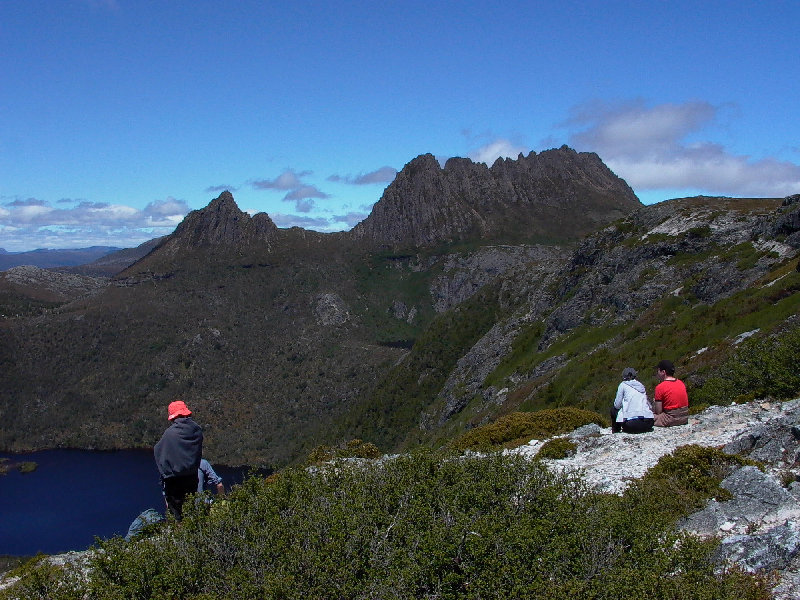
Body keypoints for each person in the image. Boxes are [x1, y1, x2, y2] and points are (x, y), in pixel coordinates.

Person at [153, 399, 203, 520]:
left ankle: (180, 533)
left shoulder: (170, 433)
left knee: (177, 512)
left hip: (174, 479)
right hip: (192, 476)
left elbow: (159, 451)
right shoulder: (197, 430)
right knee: (190, 507)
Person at [611, 367, 654, 434]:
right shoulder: (641, 386)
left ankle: (616, 431)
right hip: (648, 422)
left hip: (632, 424)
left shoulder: (623, 385)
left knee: (613, 410)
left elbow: (617, 405)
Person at [653, 359, 689, 427]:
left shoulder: (660, 387)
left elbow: (658, 411)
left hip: (670, 419)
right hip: (684, 417)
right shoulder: (681, 383)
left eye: (658, 371)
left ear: (663, 372)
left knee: (649, 417)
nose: (657, 373)